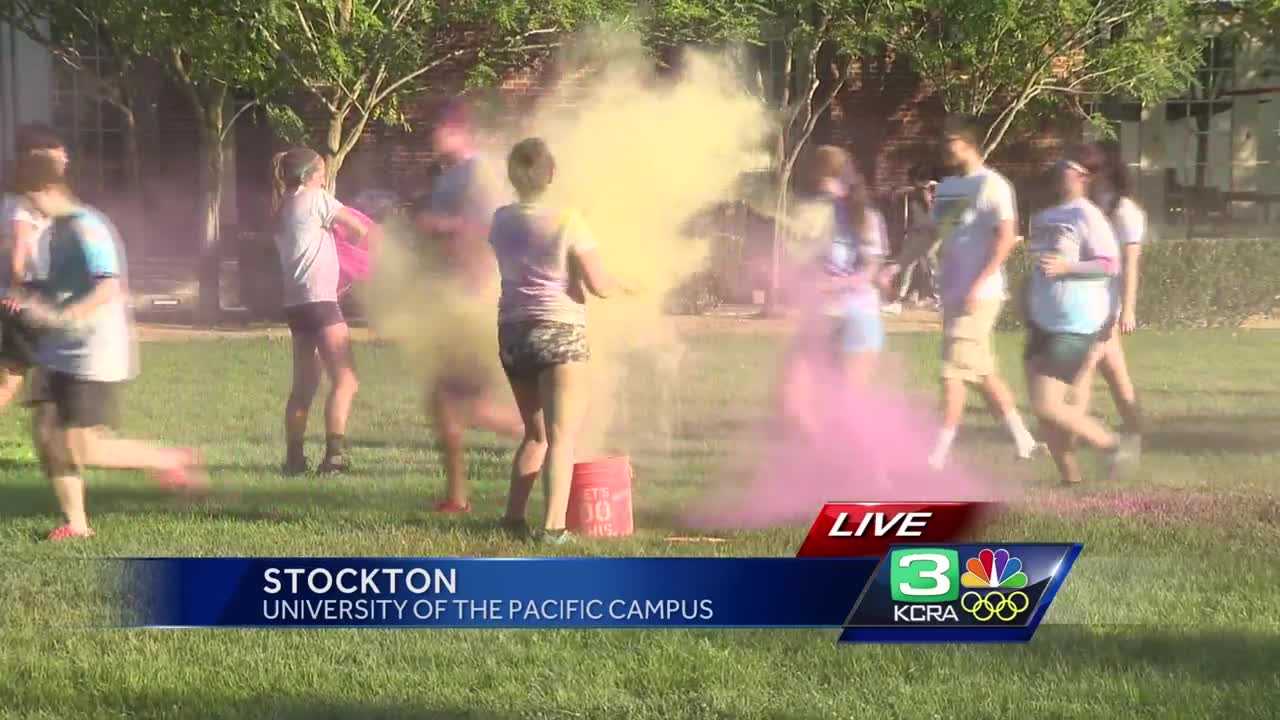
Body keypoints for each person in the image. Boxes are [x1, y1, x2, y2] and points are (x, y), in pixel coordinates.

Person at [10, 150, 204, 540]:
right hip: (57, 350)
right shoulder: (54, 231)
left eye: (30, 198)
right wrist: (28, 300)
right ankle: (76, 524)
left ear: (47, 188)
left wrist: (65, 316)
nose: (28, 207)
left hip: (93, 352)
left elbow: (108, 286)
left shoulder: (88, 227)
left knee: (83, 448)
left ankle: (169, 459)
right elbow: (59, 285)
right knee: (47, 436)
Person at [882, 115, 1041, 470]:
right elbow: (933, 234)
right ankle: (1025, 441)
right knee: (981, 372)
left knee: (952, 371)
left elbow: (1006, 238)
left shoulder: (993, 186)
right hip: (954, 294)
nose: (944, 147)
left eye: (950, 140)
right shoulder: (952, 187)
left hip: (979, 296)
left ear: (969, 144)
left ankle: (937, 456)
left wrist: (979, 282)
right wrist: (896, 265)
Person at [490, 138, 624, 543]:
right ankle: (553, 529)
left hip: (513, 332)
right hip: (560, 331)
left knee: (536, 434)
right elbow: (599, 285)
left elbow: (528, 259)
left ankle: (512, 520)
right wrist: (627, 285)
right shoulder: (569, 221)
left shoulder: (500, 219)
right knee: (562, 438)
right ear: (551, 173)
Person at [412, 101, 521, 513]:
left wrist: (442, 227)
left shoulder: (477, 173)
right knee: (444, 402)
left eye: (438, 127)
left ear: (459, 130)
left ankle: (565, 442)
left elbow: (493, 228)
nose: (431, 136)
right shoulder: (448, 176)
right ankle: (456, 496)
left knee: (465, 404)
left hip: (475, 303)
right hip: (452, 304)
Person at [1023, 150, 1133, 484]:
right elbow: (1041, 267)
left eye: (1067, 167)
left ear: (1083, 177)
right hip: (1040, 322)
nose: (1059, 171)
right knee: (1045, 415)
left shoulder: (1089, 216)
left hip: (1073, 324)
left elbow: (1109, 264)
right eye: (1058, 165)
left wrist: (1067, 267)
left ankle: (1111, 445)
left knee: (1047, 405)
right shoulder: (1045, 216)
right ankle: (1070, 481)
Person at [272, 147, 373, 475]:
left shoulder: (282, 207)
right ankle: (334, 458)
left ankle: (294, 460)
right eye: (322, 172)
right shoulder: (317, 199)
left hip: (296, 305)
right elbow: (359, 229)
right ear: (311, 175)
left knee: (303, 387)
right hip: (321, 303)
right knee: (346, 380)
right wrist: (354, 258)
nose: (325, 178)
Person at [1073, 142, 1144, 454]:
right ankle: (1137, 432)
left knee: (1083, 367)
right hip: (1085, 299)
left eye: (1091, 168)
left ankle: (1069, 436)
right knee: (1115, 374)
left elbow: (1131, 264)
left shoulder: (1125, 211)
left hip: (1105, 304)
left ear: (1109, 169)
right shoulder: (1089, 205)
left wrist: (1127, 309)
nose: (1085, 173)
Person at [0, 125, 67, 408]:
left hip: (30, 292)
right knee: (14, 377)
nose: (65, 160)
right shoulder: (23, 204)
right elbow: (19, 245)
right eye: (60, 155)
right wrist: (17, 289)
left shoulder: (17, 200)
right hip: (29, 295)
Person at [891, 163, 940, 309]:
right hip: (919, 234)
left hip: (930, 234)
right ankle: (902, 298)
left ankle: (939, 297)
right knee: (912, 265)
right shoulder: (916, 191)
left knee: (929, 265)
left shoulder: (929, 190)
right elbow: (899, 193)